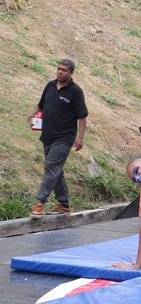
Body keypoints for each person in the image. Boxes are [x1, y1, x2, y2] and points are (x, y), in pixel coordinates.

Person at [29, 59, 88, 217]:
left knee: (51, 167)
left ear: (71, 73)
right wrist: (33, 113)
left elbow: (82, 116)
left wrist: (80, 137)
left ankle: (40, 202)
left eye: (64, 70)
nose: (60, 72)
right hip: (48, 135)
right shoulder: (50, 86)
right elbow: (41, 104)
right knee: (56, 170)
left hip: (64, 137)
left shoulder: (75, 91)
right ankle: (64, 204)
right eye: (59, 69)